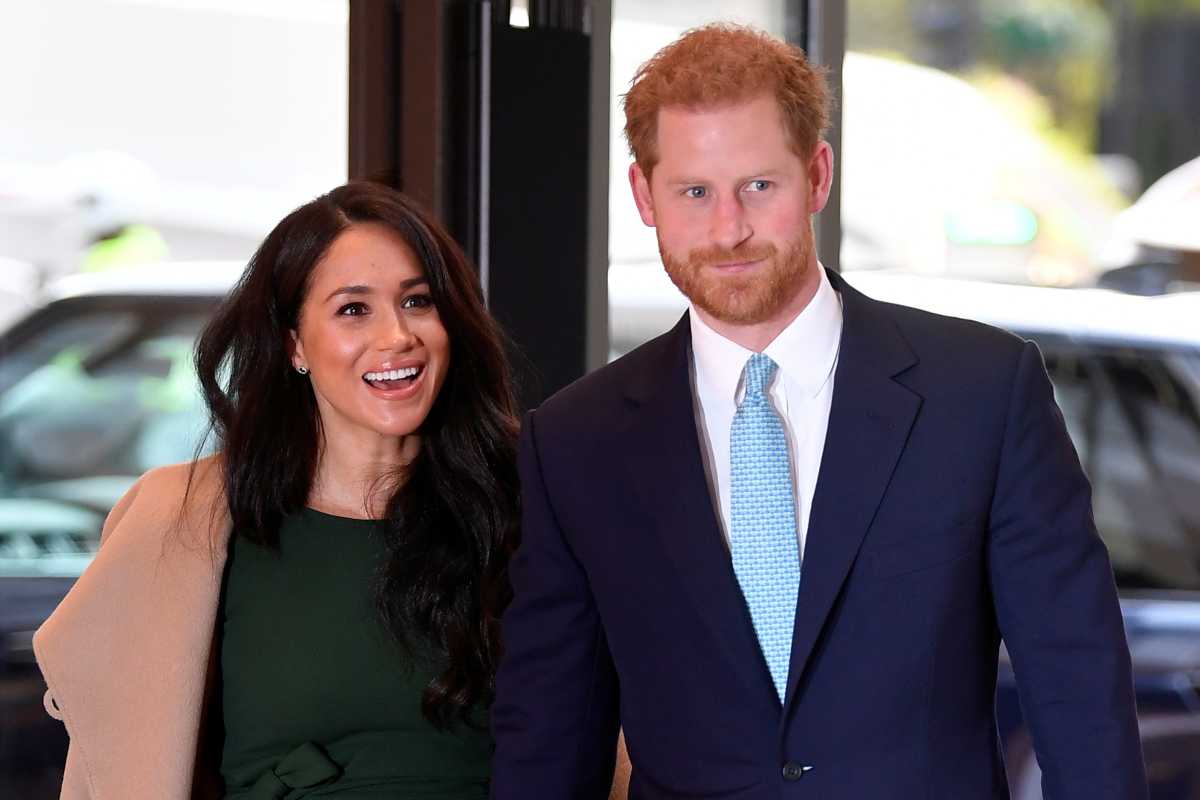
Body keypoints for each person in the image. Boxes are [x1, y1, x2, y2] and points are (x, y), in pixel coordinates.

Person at [491, 23, 1147, 800]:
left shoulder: (982, 392)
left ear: (817, 174)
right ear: (644, 195)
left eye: (759, 186)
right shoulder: (574, 442)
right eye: (694, 192)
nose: (728, 227)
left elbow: (1078, 688)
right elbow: (549, 738)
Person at [33, 182, 520, 799]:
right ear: (294, 342)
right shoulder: (188, 521)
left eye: (418, 302)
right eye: (353, 309)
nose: (398, 336)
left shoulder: (532, 501)